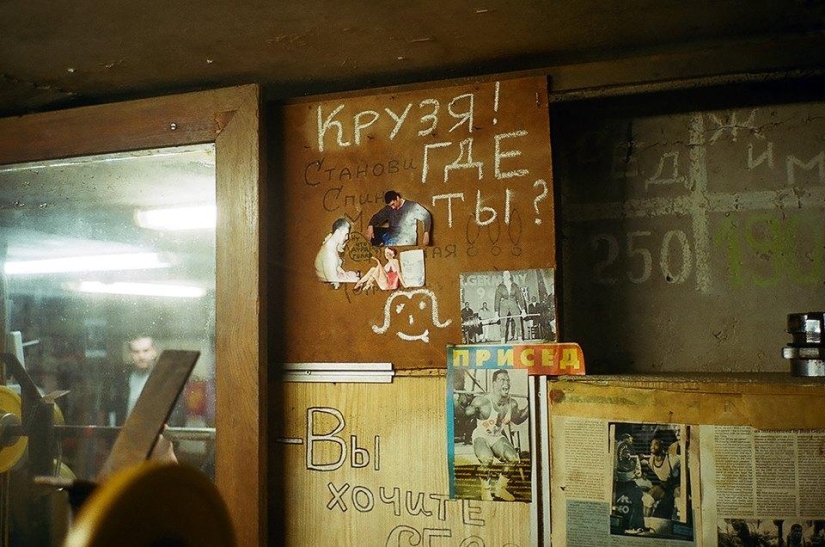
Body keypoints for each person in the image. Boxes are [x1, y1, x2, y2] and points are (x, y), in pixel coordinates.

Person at [103, 335, 179, 460]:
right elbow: (112, 413)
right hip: (127, 447)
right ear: (131, 355)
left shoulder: (166, 381)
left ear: (154, 352)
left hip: (157, 447)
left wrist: (169, 443)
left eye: (146, 350)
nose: (141, 356)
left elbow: (177, 417)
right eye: (136, 352)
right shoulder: (121, 382)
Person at [464, 369, 529, 501]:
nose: (506, 383)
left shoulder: (512, 403)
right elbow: (466, 414)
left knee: (513, 459)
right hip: (481, 435)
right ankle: (485, 490)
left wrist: (532, 403)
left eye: (508, 380)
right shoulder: (482, 402)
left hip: (497, 436)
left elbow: (519, 418)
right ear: (494, 384)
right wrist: (468, 409)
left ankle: (500, 489)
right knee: (487, 459)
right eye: (502, 380)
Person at [365, 190, 432, 247]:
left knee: (392, 245)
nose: (392, 207)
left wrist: (426, 233)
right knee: (374, 230)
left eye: (393, 204)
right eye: (390, 206)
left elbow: (426, 216)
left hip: (405, 238)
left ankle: (385, 246)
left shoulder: (412, 206)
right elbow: (377, 217)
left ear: (397, 198)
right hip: (391, 234)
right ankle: (381, 247)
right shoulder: (389, 208)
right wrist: (370, 226)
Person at [641, 430, 680, 519]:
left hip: (675, 487)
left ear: (662, 445)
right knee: (647, 498)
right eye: (651, 444)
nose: (652, 447)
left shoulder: (672, 459)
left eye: (656, 444)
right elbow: (644, 459)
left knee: (679, 500)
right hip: (664, 488)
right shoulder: (651, 460)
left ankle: (680, 525)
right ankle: (646, 524)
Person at [613, 433, 646, 533]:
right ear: (620, 442)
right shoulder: (614, 454)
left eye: (631, 443)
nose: (629, 445)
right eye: (627, 442)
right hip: (617, 483)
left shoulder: (633, 457)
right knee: (610, 500)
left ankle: (638, 527)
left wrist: (633, 472)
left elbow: (638, 473)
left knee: (638, 498)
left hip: (629, 483)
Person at [314, 217, 360, 289]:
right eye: (346, 234)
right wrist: (353, 280)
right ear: (338, 232)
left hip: (333, 275)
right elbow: (333, 280)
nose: (347, 237)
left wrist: (343, 273)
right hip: (328, 282)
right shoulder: (329, 253)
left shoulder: (332, 245)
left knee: (353, 275)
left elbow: (335, 265)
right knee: (356, 279)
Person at [494, 270, 527, 343]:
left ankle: (519, 337)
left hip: (513, 302)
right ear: (503, 277)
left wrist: (523, 310)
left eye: (507, 274)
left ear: (509, 276)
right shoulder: (500, 287)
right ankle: (502, 339)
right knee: (503, 322)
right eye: (504, 274)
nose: (506, 276)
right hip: (504, 304)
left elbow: (520, 297)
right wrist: (496, 313)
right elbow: (497, 300)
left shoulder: (515, 285)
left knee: (518, 321)